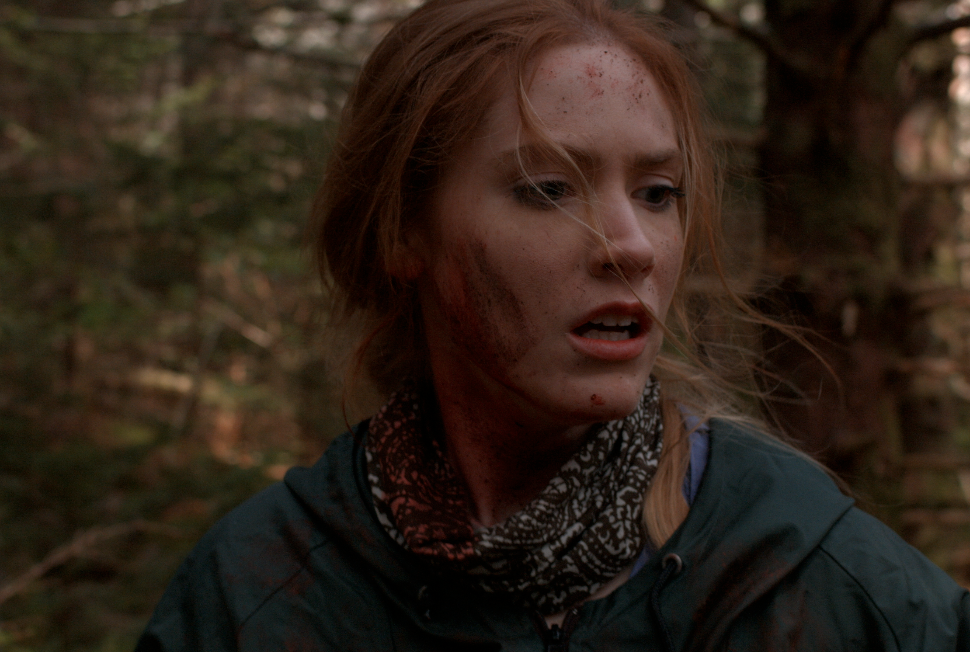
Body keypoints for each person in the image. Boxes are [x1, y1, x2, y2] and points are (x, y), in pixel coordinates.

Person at [135, 0, 970, 649]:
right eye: (547, 189)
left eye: (657, 193)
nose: (631, 246)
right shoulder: (260, 592)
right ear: (404, 231)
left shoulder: (802, 566)